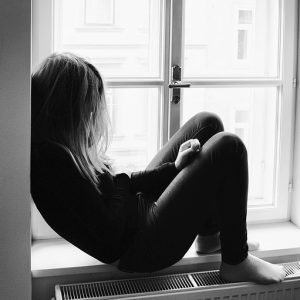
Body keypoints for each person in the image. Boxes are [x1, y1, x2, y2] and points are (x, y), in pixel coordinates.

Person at [31, 53, 286, 284]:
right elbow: (110, 235)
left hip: (138, 215)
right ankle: (236, 261)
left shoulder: (60, 147)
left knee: (206, 123)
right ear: (66, 109)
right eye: (88, 108)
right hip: (140, 247)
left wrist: (173, 168)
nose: (92, 116)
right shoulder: (52, 163)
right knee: (230, 147)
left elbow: (121, 188)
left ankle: (210, 237)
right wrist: (122, 178)